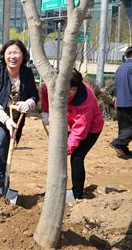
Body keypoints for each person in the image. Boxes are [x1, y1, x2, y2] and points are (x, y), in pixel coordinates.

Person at [0, 39, 39, 191]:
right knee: (1, 138)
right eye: (9, 52)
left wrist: (29, 103)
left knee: (6, 148)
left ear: (23, 56)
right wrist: (5, 119)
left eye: (16, 53)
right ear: (4, 55)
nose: (13, 56)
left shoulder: (26, 73)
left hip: (15, 118)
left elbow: (34, 95)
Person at [41, 69, 103, 199]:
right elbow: (45, 90)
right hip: (67, 122)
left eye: (72, 89)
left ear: (78, 87)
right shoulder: (53, 85)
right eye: (64, 88)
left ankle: (77, 194)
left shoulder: (86, 100)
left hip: (91, 128)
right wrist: (46, 112)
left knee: (76, 156)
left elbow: (79, 131)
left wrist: (66, 149)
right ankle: (56, 189)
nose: (67, 93)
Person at [111, 45, 132, 159]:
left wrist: (115, 96)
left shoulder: (120, 68)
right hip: (131, 101)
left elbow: (115, 85)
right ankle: (118, 143)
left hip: (120, 101)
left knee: (124, 127)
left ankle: (123, 148)